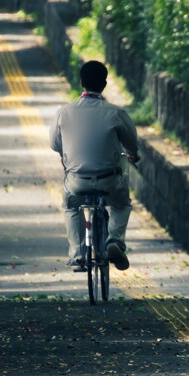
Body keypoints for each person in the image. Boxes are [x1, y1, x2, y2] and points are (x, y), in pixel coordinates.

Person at [49, 61, 140, 271]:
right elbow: (132, 145)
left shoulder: (63, 112)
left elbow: (55, 144)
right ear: (104, 84)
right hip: (110, 180)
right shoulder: (116, 113)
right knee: (121, 205)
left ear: (81, 82)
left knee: (72, 207)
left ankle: (79, 255)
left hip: (77, 180)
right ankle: (114, 242)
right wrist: (133, 155)